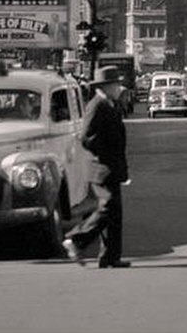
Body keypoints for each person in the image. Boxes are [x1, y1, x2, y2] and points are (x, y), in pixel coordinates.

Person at [63, 66, 131, 269]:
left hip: (112, 167)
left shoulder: (110, 104)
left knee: (115, 213)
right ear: (107, 86)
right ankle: (76, 240)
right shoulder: (97, 106)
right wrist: (104, 154)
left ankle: (110, 257)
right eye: (117, 85)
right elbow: (86, 137)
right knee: (107, 207)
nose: (120, 88)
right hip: (102, 167)